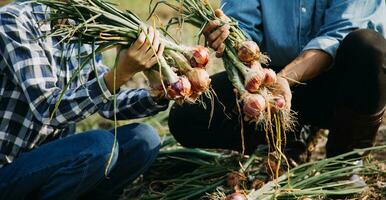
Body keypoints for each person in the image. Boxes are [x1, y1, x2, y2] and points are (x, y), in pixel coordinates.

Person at [169, 0, 386, 160]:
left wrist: (284, 79)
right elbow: (242, 29)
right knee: (188, 117)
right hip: (269, 80)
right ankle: (285, 135)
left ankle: (345, 160)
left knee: (369, 48)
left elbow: (340, 34)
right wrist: (229, 36)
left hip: (337, 82)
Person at [0, 1, 168, 199]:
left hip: (53, 160)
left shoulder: (81, 26)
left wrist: (158, 93)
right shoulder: (14, 20)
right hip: (8, 171)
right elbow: (48, 109)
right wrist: (120, 74)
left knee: (142, 138)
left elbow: (106, 102)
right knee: (100, 146)